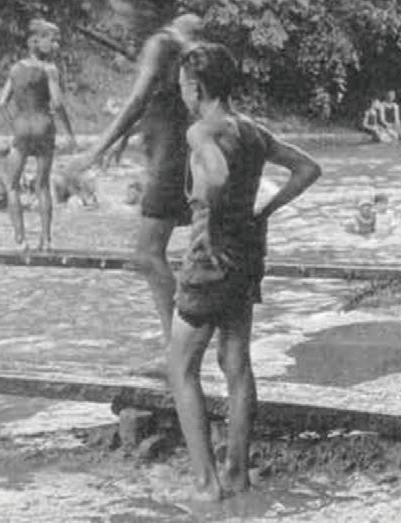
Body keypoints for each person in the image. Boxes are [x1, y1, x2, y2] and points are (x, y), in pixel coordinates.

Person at [167, 42, 321, 502]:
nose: (182, 93)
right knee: (236, 365)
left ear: (196, 87)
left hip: (208, 263)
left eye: (182, 85)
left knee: (180, 367)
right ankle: (237, 473)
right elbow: (307, 169)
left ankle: (205, 484)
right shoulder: (253, 132)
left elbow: (214, 177)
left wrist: (211, 226)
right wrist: (265, 211)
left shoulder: (201, 131)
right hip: (248, 259)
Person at [71, 0, 203, 365]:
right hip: (180, 154)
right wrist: (124, 140)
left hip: (171, 158)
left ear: (145, 7)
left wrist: (94, 150)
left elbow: (137, 100)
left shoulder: (159, 43)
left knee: (148, 253)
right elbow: (162, 100)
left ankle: (177, 349)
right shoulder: (175, 42)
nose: (122, 20)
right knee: (160, 252)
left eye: (124, 11)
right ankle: (180, 346)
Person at [0, 18, 78, 250]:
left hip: (21, 126)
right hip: (43, 126)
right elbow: (58, 104)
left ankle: (20, 241)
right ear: (35, 41)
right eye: (52, 40)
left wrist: (14, 125)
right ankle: (46, 240)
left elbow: (1, 103)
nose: (56, 45)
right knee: (42, 185)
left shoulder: (15, 69)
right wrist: (70, 134)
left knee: (12, 186)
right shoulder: (49, 69)